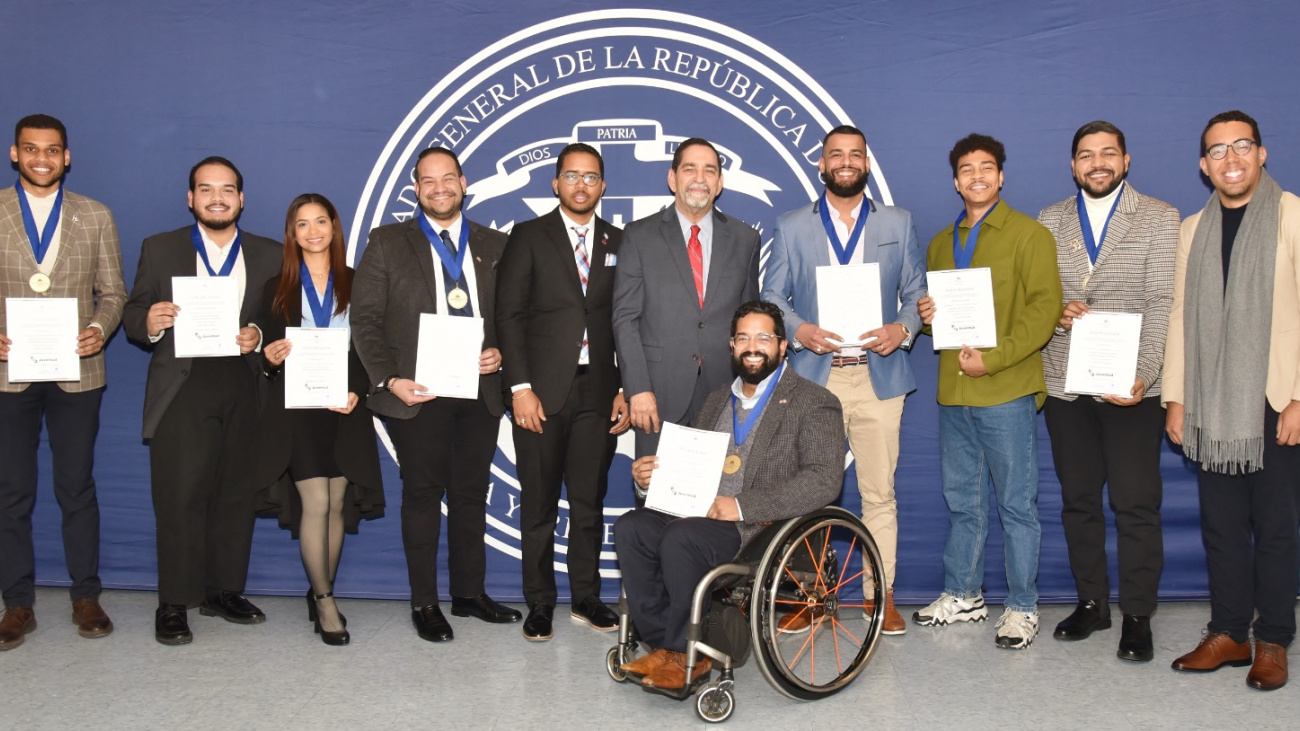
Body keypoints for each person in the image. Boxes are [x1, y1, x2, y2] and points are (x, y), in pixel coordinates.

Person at [615, 301, 845, 690]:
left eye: (763, 337)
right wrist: (650, 480)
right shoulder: (717, 399)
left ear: (782, 345)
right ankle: (664, 645)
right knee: (631, 527)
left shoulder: (813, 400)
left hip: (756, 527)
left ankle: (686, 653)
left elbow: (824, 480)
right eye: (743, 338)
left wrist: (740, 505)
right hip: (697, 513)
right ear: (731, 346)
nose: (752, 346)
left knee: (681, 538)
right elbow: (693, 464)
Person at [351, 146, 520, 643]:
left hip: (478, 389)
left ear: (463, 183)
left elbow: (513, 317)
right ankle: (424, 602)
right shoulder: (386, 243)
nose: (439, 188)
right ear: (417, 188)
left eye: (448, 178)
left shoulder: (496, 244)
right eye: (429, 181)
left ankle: (469, 594)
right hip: (416, 392)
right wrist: (387, 379)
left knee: (470, 495)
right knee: (423, 495)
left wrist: (501, 354)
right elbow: (364, 320)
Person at [762, 124, 926, 635]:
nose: (847, 162)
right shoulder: (791, 225)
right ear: (822, 164)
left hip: (878, 377)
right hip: (815, 378)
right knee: (806, 492)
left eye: (856, 154)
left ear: (868, 164)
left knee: (879, 494)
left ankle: (883, 597)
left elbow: (916, 293)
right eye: (837, 155)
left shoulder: (899, 221)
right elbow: (771, 295)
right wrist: (800, 329)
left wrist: (902, 329)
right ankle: (806, 597)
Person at [1164, 110, 1300, 691]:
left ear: (1262, 154)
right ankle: (1229, 633)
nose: (1231, 159)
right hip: (1211, 405)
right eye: (1218, 151)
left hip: (1275, 398)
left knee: (1274, 527)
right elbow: (1177, 316)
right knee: (1221, 526)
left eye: (1241, 146)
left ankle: (1273, 638)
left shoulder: (1292, 214)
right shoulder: (1193, 229)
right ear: (1203, 166)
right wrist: (1175, 397)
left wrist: (1299, 396)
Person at [123, 156, 282, 645]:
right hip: (183, 386)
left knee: (235, 495)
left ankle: (222, 591)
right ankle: (174, 602)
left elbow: (281, 321)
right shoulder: (161, 247)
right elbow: (131, 312)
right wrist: (148, 323)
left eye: (227, 189)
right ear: (191, 198)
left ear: (241, 199)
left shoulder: (271, 254)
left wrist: (257, 334)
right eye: (206, 189)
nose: (217, 197)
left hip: (244, 383)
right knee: (178, 497)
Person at [1037, 120, 1178, 662]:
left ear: (1126, 160)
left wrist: (1140, 375)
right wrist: (1058, 312)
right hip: (1068, 386)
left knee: (1136, 504)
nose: (1097, 163)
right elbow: (1040, 298)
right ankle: (1092, 603)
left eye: (1107, 154)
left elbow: (1162, 301)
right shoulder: (1050, 219)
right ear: (1073, 166)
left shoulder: (1160, 218)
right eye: (1086, 155)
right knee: (1078, 502)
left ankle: (1138, 614)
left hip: (1133, 390)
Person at [914, 134, 1061, 650]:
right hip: (954, 395)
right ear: (955, 181)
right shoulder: (939, 242)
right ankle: (964, 594)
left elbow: (1044, 313)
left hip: (1006, 391)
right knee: (963, 503)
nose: (977, 175)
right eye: (966, 169)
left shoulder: (1029, 235)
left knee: (1017, 505)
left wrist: (993, 360)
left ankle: (1022, 607)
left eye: (987, 167)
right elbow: (944, 325)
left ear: (1000, 176)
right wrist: (928, 319)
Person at [495, 143, 630, 641]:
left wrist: (624, 388)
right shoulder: (528, 236)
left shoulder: (621, 241)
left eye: (590, 177)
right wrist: (520, 388)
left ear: (602, 186)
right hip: (540, 395)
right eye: (571, 176)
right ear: (555, 184)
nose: (581, 185)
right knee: (539, 504)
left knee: (588, 501)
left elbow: (624, 321)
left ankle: (586, 598)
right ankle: (540, 602)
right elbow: (507, 315)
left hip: (598, 393)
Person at [0, 114, 125, 650]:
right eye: (31, 150)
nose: (42, 159)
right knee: (11, 493)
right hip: (9, 374)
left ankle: (85, 595)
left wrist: (99, 329)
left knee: (76, 487)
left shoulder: (95, 215)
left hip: (79, 373)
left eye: (52, 150)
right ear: (15, 154)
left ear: (66, 157)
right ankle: (17, 604)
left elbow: (114, 293)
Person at [253, 193, 385, 646]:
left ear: (334, 227)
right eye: (302, 224)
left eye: (321, 222)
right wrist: (268, 358)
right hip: (296, 408)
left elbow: (372, 345)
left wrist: (359, 390)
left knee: (336, 499)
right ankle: (326, 599)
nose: (313, 231)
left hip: (345, 405)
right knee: (316, 502)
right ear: (292, 233)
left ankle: (318, 591)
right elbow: (263, 352)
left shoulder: (358, 281)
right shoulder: (277, 286)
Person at [612, 138, 761, 459]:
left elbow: (749, 322)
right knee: (660, 496)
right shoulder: (639, 236)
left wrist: (750, 389)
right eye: (689, 168)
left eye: (709, 170)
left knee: (720, 498)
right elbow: (625, 319)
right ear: (672, 178)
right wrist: (636, 389)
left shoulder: (745, 239)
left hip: (726, 394)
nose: (699, 178)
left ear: (719, 183)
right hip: (657, 394)